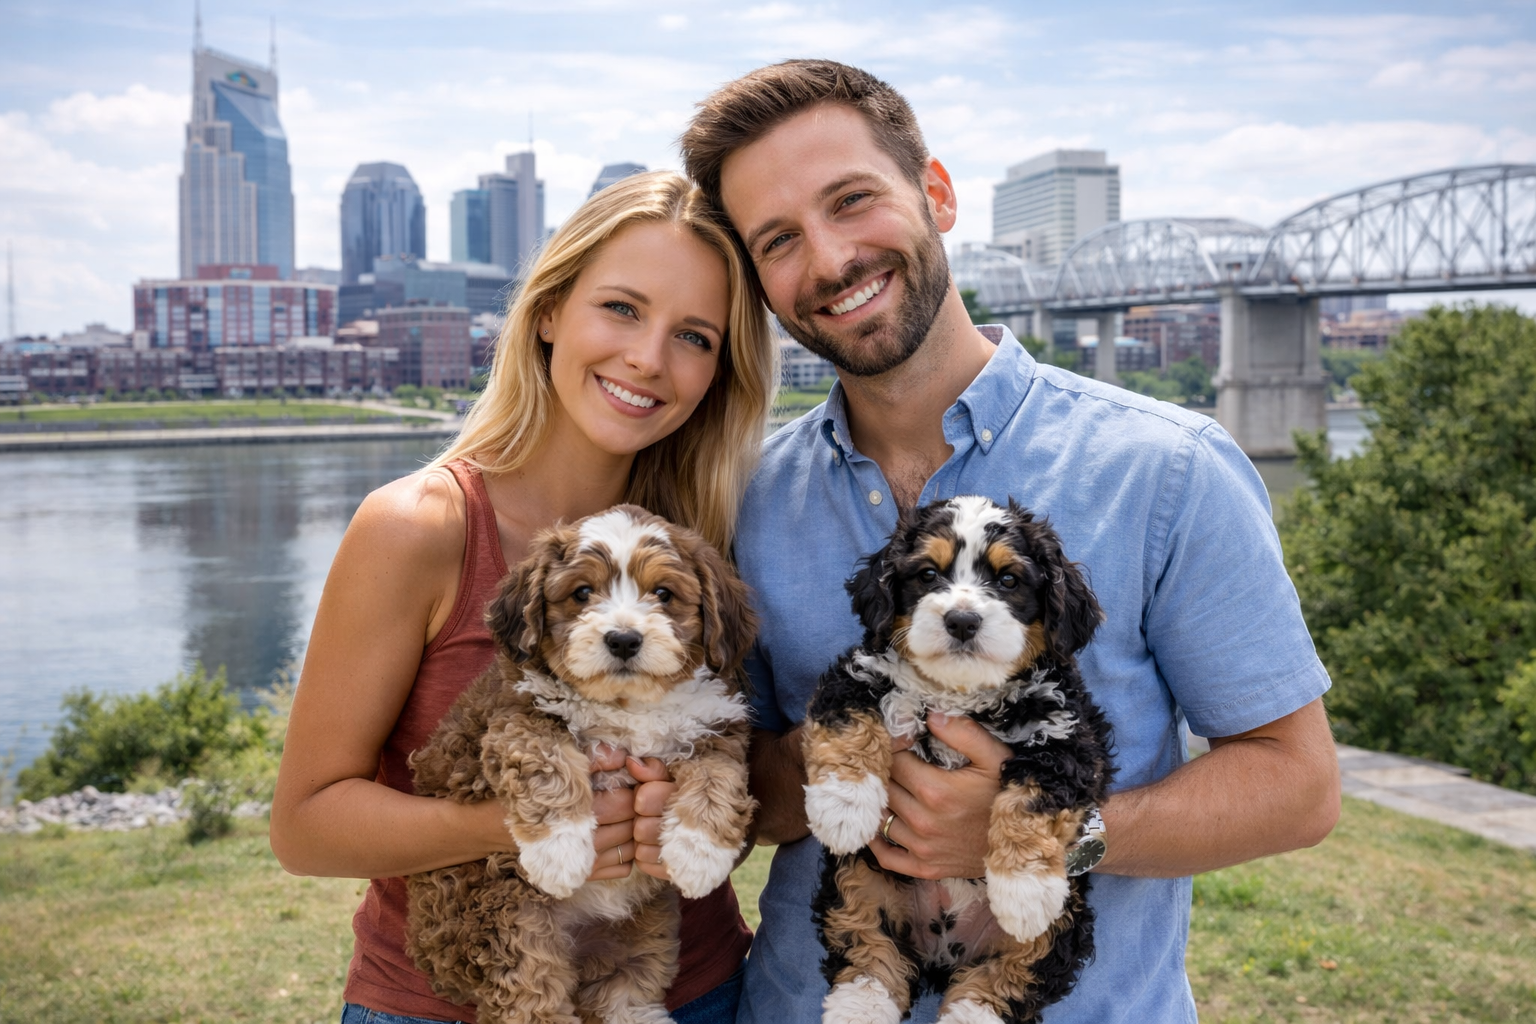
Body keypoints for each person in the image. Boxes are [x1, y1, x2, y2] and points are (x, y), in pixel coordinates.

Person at [678, 61, 1342, 1023]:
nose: (828, 261)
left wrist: (1050, 829)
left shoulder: (1167, 469)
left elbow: (1299, 785)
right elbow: (733, 785)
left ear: (936, 194)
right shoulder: (744, 500)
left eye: (852, 201)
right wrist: (840, 757)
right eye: (779, 240)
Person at [269, 171, 777, 1024]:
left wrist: (683, 811)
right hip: (447, 1003)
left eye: (694, 335)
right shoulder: (419, 526)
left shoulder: (703, 540)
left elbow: (738, 770)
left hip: (689, 992)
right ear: (549, 312)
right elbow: (306, 826)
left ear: (719, 370)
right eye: (620, 308)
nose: (648, 358)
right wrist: (522, 822)